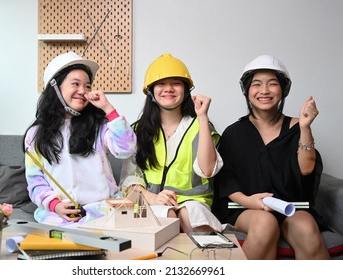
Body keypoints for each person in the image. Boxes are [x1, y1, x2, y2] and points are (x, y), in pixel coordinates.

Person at [214, 54, 330, 259]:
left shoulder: (298, 127)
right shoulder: (234, 133)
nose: (264, 91)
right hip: (246, 207)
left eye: (272, 84)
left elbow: (306, 169)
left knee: (307, 230)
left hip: (291, 207)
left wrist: (305, 127)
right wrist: (249, 201)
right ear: (247, 91)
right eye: (256, 84)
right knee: (265, 224)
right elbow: (226, 180)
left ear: (283, 90)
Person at [24, 51, 136, 226]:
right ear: (55, 87)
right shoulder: (35, 135)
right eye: (75, 84)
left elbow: (126, 149)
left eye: (88, 86)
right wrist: (55, 206)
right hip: (58, 215)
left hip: (101, 210)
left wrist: (108, 109)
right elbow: (35, 182)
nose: (83, 91)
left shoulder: (99, 126)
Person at [120, 53, 223, 233]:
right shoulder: (137, 131)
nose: (169, 89)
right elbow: (129, 184)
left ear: (186, 90)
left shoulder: (201, 125)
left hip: (194, 205)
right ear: (151, 91)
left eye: (176, 83)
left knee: (189, 214)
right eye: (161, 84)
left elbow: (207, 170)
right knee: (167, 216)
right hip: (152, 204)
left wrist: (203, 117)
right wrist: (152, 198)